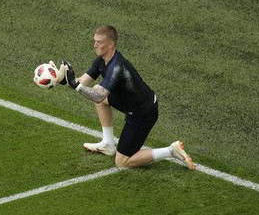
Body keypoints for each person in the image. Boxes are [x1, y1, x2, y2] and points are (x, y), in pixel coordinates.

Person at [51, 25, 194, 170]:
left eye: (99, 42)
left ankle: (170, 151)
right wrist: (63, 80)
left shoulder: (117, 67)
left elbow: (100, 96)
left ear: (111, 44)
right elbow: (82, 83)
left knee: (122, 163)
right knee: (94, 89)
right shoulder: (101, 60)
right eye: (95, 41)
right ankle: (107, 144)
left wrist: (75, 85)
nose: (95, 45)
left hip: (142, 113)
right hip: (128, 102)